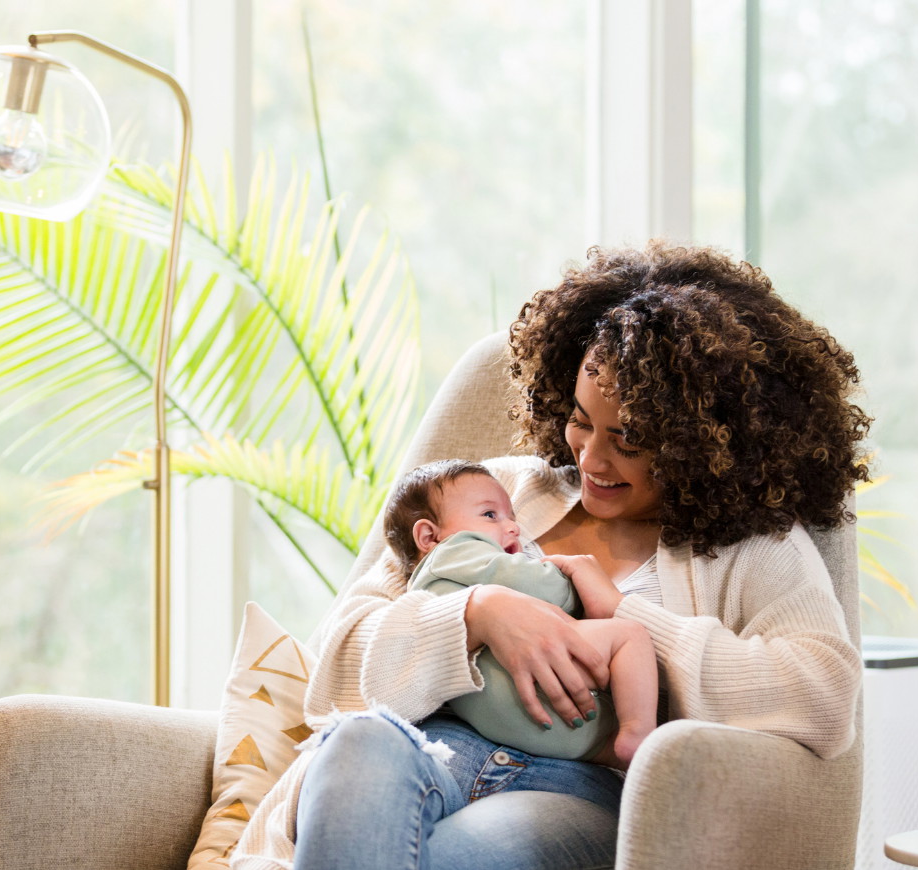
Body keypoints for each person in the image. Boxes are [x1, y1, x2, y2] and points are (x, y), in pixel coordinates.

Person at [231, 241, 869, 870]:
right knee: (359, 743)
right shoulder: (492, 490)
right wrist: (478, 614)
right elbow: (338, 663)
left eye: (628, 439)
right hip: (431, 751)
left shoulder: (749, 547)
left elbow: (824, 696)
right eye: (582, 420)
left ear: (702, 442)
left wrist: (627, 617)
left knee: (446, 859)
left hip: (573, 789)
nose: (591, 458)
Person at [384, 458, 658, 768]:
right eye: (490, 515)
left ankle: (616, 747)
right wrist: (571, 576)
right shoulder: (455, 551)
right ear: (429, 537)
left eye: (511, 515)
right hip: (531, 697)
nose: (513, 526)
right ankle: (639, 732)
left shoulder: (426, 588)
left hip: (503, 721)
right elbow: (539, 587)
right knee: (629, 635)